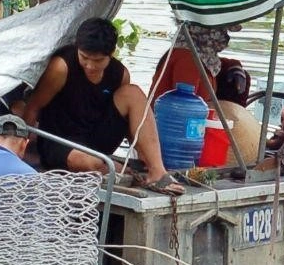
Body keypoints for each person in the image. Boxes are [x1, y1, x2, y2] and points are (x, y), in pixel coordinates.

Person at [23, 17, 180, 194]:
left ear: (111, 53)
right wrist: (21, 152)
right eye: (84, 58)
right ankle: (111, 167)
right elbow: (33, 107)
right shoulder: (61, 66)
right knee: (89, 163)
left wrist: (143, 155)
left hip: (97, 141)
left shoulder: (120, 73)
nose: (90, 66)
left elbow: (127, 121)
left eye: (98, 61)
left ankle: (157, 173)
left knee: (133, 93)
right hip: (60, 143)